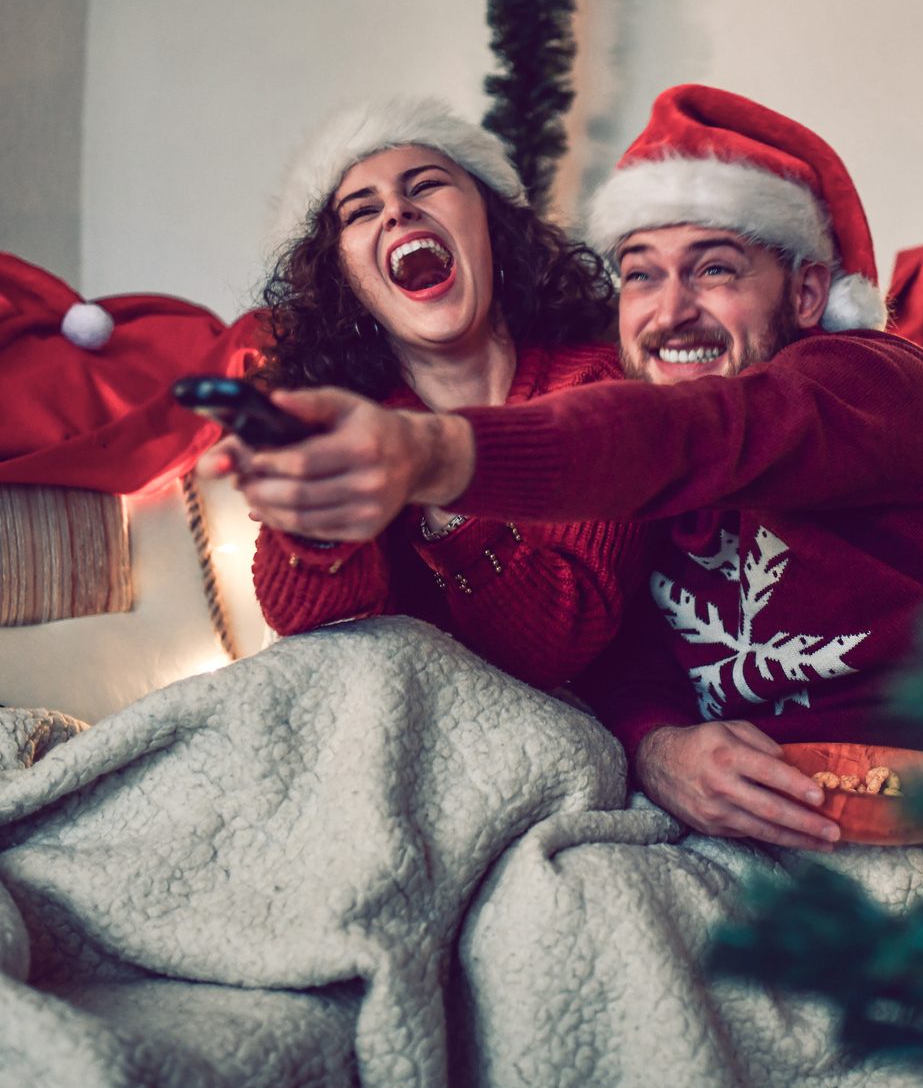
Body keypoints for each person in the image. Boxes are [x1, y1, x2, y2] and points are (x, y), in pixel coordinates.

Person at [227, 85, 923, 851]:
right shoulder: (640, 439)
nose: (670, 309)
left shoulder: (870, 381)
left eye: (715, 268)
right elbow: (628, 649)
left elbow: (695, 436)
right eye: (642, 274)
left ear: (805, 295)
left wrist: (437, 456)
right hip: (758, 805)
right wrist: (658, 746)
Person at [203, 97, 647, 692]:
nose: (396, 211)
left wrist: (433, 480)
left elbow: (558, 647)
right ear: (346, 279)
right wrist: (312, 517)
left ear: (490, 222)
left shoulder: (596, 384)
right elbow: (309, 631)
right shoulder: (354, 419)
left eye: (427, 185)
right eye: (361, 212)